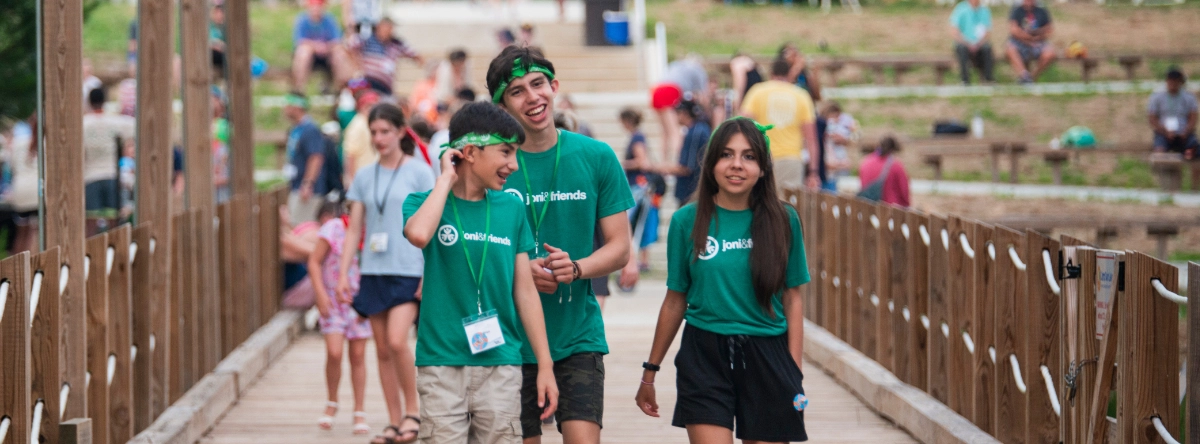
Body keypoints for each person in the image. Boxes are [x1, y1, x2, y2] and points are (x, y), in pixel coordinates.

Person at [485, 45, 635, 444]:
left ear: (554, 86)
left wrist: (579, 268)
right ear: (500, 105)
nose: (532, 97)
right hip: (509, 342)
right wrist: (520, 271)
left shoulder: (596, 156)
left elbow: (620, 246)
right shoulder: (488, 166)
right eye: (517, 91)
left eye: (538, 84)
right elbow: (471, 250)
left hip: (578, 335)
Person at [634, 117, 810, 444]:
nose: (736, 165)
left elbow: (793, 298)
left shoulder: (785, 220)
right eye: (726, 155)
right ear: (711, 162)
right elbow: (675, 299)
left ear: (763, 167)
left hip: (767, 353)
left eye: (749, 156)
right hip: (704, 354)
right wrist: (650, 371)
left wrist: (793, 372)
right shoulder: (687, 220)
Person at [401, 102, 560, 443]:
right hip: (441, 364)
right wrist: (445, 178)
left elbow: (525, 291)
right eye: (505, 152)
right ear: (470, 152)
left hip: (500, 364)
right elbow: (418, 235)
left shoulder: (512, 208)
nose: (513, 165)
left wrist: (545, 364)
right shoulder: (423, 203)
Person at [337, 103, 435, 444]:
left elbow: (434, 223)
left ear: (400, 131)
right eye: (374, 132)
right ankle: (394, 420)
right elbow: (354, 230)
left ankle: (414, 412)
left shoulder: (420, 171)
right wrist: (343, 273)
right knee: (381, 349)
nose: (379, 138)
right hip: (374, 270)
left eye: (385, 132)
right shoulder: (364, 175)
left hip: (409, 269)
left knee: (397, 341)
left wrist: (429, 271)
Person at [307, 200, 373, 435]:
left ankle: (359, 410)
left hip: (361, 303)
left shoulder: (373, 231)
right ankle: (332, 401)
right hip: (333, 301)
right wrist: (320, 294)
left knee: (358, 355)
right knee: (334, 352)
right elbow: (314, 261)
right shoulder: (333, 228)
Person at [740, 59, 819, 191]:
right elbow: (811, 138)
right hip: (791, 159)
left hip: (762, 157)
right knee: (787, 207)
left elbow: (743, 125)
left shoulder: (757, 91)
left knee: (761, 204)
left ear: (771, 74)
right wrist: (813, 171)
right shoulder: (801, 95)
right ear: (789, 74)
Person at [619, 108, 660, 272]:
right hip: (637, 185)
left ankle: (637, 260)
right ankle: (640, 259)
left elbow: (641, 161)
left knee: (634, 223)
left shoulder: (637, 138)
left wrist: (623, 164)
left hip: (638, 186)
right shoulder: (638, 136)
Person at [83, 88, 136, 213]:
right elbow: (135, 127)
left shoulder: (83, 123)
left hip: (90, 176)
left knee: (93, 219)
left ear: (89, 102)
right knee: (113, 218)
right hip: (112, 175)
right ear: (105, 101)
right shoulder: (116, 122)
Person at [650, 56, 709, 161]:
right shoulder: (698, 69)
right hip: (670, 90)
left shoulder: (677, 64)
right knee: (674, 131)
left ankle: (664, 162)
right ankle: (681, 161)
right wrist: (707, 112)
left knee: (664, 132)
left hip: (656, 89)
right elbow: (703, 95)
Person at [285, 93, 332, 224]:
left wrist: (308, 183)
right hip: (296, 184)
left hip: (306, 190)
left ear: (297, 106)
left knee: (303, 226)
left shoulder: (310, 129)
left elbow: (316, 157)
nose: (285, 108)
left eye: (288, 104)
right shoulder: (296, 128)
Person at [345, 17, 423, 97]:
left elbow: (415, 55)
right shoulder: (368, 39)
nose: (390, 30)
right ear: (379, 27)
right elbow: (350, 46)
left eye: (391, 27)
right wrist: (357, 65)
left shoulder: (397, 43)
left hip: (386, 85)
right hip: (368, 80)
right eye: (387, 27)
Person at [657, 100, 710, 205]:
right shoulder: (695, 130)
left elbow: (687, 168)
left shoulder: (695, 132)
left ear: (685, 113)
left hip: (691, 192)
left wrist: (659, 168)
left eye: (678, 113)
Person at [293, 0, 349, 92]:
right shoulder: (302, 20)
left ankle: (342, 89)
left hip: (327, 54)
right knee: (303, 52)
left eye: (318, 6)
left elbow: (337, 41)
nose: (316, 9)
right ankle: (299, 89)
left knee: (340, 53)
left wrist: (326, 47)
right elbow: (300, 41)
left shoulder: (330, 20)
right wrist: (316, 46)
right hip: (310, 55)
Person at [1148, 68, 1199, 157]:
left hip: (1184, 133)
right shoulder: (1157, 96)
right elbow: (1152, 117)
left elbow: (1193, 116)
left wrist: (1186, 131)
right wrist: (1163, 130)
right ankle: (1164, 169)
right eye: (1170, 81)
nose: (1172, 84)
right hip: (1164, 133)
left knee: (1195, 152)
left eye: (1175, 81)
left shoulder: (1189, 97)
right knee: (1159, 153)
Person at [1005, 0, 1055, 84]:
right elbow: (1013, 30)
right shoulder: (1017, 10)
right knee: (1010, 49)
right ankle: (1024, 75)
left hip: (1038, 42)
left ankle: (1031, 78)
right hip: (1020, 41)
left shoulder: (1041, 11)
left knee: (1050, 53)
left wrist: (1037, 35)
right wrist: (1028, 37)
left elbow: (1049, 29)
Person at [949, 0, 995, 84]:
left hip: (979, 44)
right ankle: (965, 80)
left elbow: (987, 32)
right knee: (961, 49)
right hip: (964, 43)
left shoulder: (984, 10)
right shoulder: (961, 8)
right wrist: (967, 43)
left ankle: (988, 78)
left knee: (987, 48)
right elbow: (954, 31)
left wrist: (978, 44)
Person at [343, 89, 383, 185]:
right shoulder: (358, 126)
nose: (372, 110)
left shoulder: (371, 124)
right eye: (368, 106)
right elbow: (350, 155)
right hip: (362, 179)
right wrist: (351, 181)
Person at [858, 136, 911, 207]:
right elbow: (904, 191)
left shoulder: (866, 162)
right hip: (891, 209)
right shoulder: (896, 166)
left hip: (869, 207)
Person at [822, 101, 857, 192]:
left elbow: (855, 137)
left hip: (839, 170)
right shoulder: (823, 137)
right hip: (829, 175)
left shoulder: (842, 129)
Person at [210, 0, 227, 76]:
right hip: (213, 53)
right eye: (216, 12)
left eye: (221, 12)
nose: (219, 15)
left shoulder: (224, 28)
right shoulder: (210, 26)